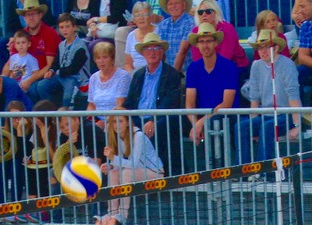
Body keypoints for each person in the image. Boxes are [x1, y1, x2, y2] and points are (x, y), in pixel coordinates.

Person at [122, 30, 186, 174]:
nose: (152, 52)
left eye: (156, 48)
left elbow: (170, 102)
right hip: (138, 120)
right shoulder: (138, 75)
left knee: (160, 127)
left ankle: (166, 174)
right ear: (143, 53)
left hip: (161, 119)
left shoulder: (171, 74)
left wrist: (153, 119)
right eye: (148, 49)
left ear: (162, 52)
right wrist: (124, 118)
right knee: (118, 127)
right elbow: (130, 102)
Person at [237, 29, 301, 167]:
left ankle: (265, 172)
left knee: (267, 127)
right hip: (266, 113)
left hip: (285, 113)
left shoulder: (287, 64)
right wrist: (254, 123)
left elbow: (293, 96)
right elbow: (254, 97)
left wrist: (297, 126)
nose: (263, 51)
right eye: (260, 47)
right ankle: (243, 169)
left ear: (276, 48)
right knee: (241, 127)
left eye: (267, 46)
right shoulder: (256, 65)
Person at [101, 113, 164, 223]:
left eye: (120, 121)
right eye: (114, 122)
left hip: (155, 172)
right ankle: (112, 213)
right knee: (113, 173)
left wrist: (113, 158)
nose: (117, 125)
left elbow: (134, 163)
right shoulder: (116, 137)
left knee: (126, 173)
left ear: (127, 123)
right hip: (137, 171)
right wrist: (110, 165)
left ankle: (123, 215)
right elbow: (121, 162)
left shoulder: (138, 135)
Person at [185, 22, 237, 145]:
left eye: (208, 41)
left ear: (215, 43)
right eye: (201, 41)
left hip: (225, 116)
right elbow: (190, 103)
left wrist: (201, 122)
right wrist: (195, 124)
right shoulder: (193, 68)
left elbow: (226, 104)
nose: (205, 45)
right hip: (202, 118)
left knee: (215, 123)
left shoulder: (229, 66)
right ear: (197, 44)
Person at [28, 13, 86, 107]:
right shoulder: (61, 44)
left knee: (67, 97)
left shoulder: (80, 46)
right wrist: (51, 71)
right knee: (42, 85)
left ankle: (65, 116)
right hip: (62, 76)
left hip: (76, 78)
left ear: (74, 27)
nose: (64, 30)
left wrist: (58, 72)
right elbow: (56, 62)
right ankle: (51, 111)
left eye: (67, 27)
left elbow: (74, 69)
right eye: (61, 27)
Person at [176, 0, 246, 77]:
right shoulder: (196, 31)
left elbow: (226, 57)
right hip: (208, 67)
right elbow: (197, 58)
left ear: (215, 12)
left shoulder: (227, 28)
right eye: (200, 12)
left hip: (235, 65)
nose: (204, 14)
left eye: (208, 11)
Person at [86, 40, 130, 119]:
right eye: (98, 58)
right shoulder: (93, 78)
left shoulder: (123, 76)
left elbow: (120, 105)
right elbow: (91, 106)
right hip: (97, 122)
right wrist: (92, 121)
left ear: (112, 58)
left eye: (105, 57)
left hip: (116, 121)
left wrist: (106, 123)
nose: (101, 61)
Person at [157, 0, 193, 72]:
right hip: (169, 71)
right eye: (170, 4)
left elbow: (183, 51)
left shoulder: (191, 22)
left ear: (184, 5)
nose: (173, 6)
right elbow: (161, 51)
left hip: (187, 71)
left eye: (177, 3)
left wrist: (174, 76)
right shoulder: (163, 24)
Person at [124, 2, 158, 72]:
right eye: (137, 15)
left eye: (145, 15)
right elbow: (127, 64)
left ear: (150, 17)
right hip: (135, 75)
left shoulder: (159, 32)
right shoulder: (131, 36)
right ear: (134, 19)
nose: (141, 18)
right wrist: (133, 76)